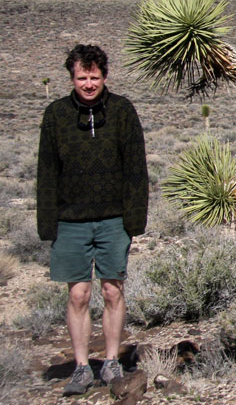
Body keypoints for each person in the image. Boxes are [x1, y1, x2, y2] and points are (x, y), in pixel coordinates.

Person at [36, 44, 148, 396]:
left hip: (114, 218)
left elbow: (136, 168)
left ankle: (112, 361)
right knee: (79, 294)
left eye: (94, 77)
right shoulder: (55, 115)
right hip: (70, 220)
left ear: (104, 76)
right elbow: (46, 172)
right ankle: (83, 367)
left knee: (113, 289)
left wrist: (134, 219)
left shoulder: (122, 111)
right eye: (82, 77)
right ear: (72, 78)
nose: (88, 84)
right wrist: (47, 222)